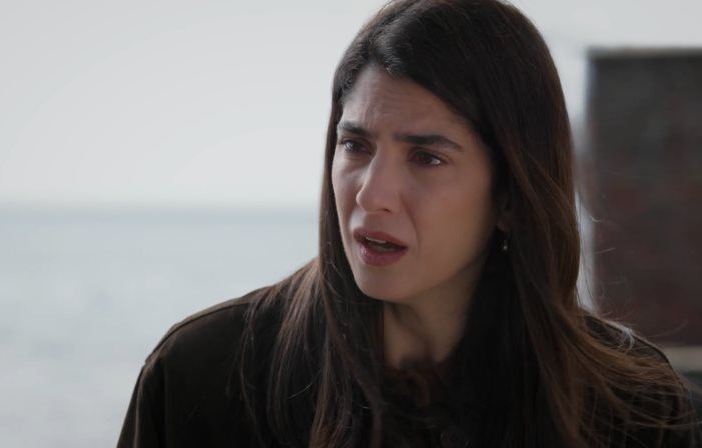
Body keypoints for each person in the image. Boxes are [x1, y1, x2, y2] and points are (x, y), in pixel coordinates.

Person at [117, 0, 701, 446]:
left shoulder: (632, 407)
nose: (372, 195)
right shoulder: (200, 378)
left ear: (510, 197)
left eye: (426, 157)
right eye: (356, 146)